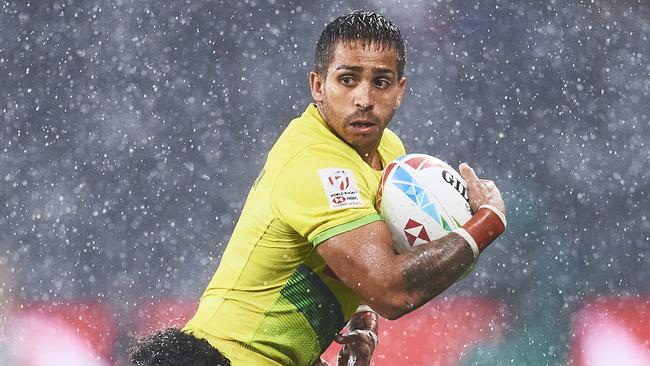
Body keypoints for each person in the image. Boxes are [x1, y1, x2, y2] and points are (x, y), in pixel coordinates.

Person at [130, 9, 506, 366]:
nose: (364, 98)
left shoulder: (391, 152)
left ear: (399, 90)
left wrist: (362, 316)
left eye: (381, 82)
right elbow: (392, 290)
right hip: (229, 355)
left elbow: (375, 254)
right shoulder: (314, 163)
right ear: (318, 86)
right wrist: (487, 222)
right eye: (347, 79)